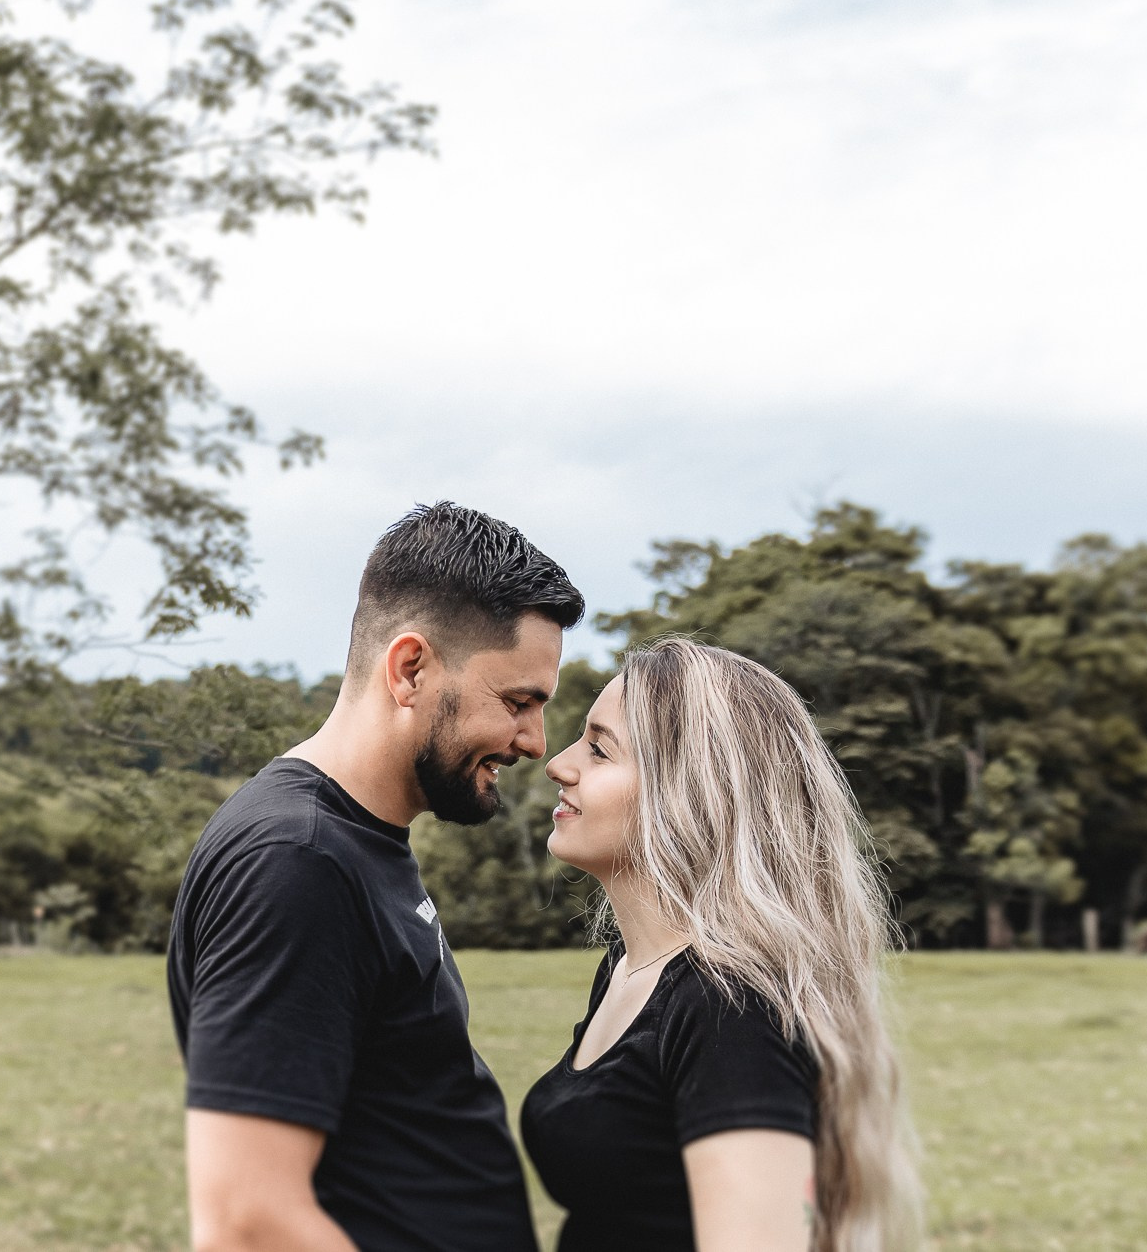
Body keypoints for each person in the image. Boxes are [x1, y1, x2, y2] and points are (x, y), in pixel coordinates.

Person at [167, 501, 585, 1252]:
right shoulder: (297, 860)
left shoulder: (351, 842)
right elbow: (246, 1222)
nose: (535, 741)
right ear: (410, 667)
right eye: (518, 701)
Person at [520, 638, 923, 1252]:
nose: (559, 763)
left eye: (600, 749)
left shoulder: (729, 1008)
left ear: (687, 790)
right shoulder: (630, 970)